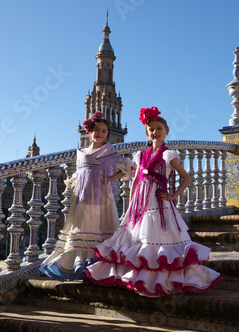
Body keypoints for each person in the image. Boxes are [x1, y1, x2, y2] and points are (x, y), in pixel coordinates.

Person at [86, 106, 222, 297]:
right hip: (140, 205)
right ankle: (134, 276)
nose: (155, 132)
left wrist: (173, 196)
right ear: (146, 132)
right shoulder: (140, 155)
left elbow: (186, 178)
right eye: (151, 129)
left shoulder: (168, 155)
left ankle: (159, 280)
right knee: (135, 239)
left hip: (159, 205)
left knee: (158, 240)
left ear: (166, 131)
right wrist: (131, 205)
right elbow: (135, 181)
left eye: (159, 128)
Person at [40, 111, 133, 281]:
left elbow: (128, 167)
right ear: (90, 131)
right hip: (82, 198)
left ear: (107, 135)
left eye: (104, 131)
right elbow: (79, 175)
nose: (100, 134)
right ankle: (79, 264)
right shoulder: (81, 152)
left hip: (101, 198)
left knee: (99, 227)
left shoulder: (108, 151)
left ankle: (97, 265)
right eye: (97, 130)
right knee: (82, 228)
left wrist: (111, 178)